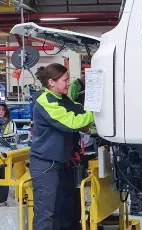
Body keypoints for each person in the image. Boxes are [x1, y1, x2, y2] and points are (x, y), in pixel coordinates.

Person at [29, 63, 94, 230]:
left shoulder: (63, 99)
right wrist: (95, 111)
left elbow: (80, 111)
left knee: (61, 210)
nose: (69, 83)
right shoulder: (46, 101)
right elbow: (72, 122)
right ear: (52, 82)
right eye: (65, 80)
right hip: (45, 164)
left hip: (60, 162)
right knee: (45, 213)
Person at [0, 101, 17, 204]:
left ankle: (2, 201)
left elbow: (11, 136)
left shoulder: (11, 123)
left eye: (3, 110)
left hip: (6, 155)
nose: (1, 112)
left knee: (4, 177)